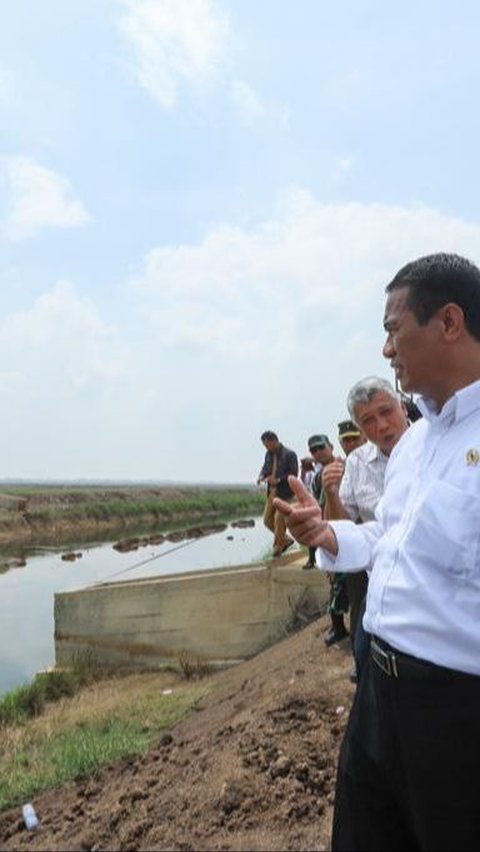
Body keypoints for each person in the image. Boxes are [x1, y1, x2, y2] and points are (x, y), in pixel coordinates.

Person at [273, 252, 480, 851]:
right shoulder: (416, 446)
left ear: (448, 322)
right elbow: (389, 536)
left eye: (393, 330)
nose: (387, 350)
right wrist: (328, 533)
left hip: (453, 714)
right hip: (376, 698)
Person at [323, 381, 408, 683]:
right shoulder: (357, 462)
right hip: (380, 580)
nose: (381, 425)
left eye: (386, 411)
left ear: (402, 407)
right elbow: (342, 525)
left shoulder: (432, 445)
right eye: (368, 421)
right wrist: (331, 493)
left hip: (428, 586)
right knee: (364, 653)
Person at [307, 434, 349, 645]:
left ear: (331, 447)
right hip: (327, 534)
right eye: (313, 450)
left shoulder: (345, 468)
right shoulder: (317, 478)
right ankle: (338, 627)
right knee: (334, 582)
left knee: (350, 584)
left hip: (347, 531)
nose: (317, 453)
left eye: (320, 448)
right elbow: (316, 509)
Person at [256, 430, 298, 558]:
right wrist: (261, 475)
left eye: (268, 445)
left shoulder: (289, 454)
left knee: (279, 519)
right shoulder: (268, 454)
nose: (266, 448)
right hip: (272, 492)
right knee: (267, 520)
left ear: (275, 441)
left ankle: (278, 548)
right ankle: (285, 539)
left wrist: (278, 480)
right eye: (264, 446)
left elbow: (294, 474)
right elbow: (265, 467)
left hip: (285, 494)